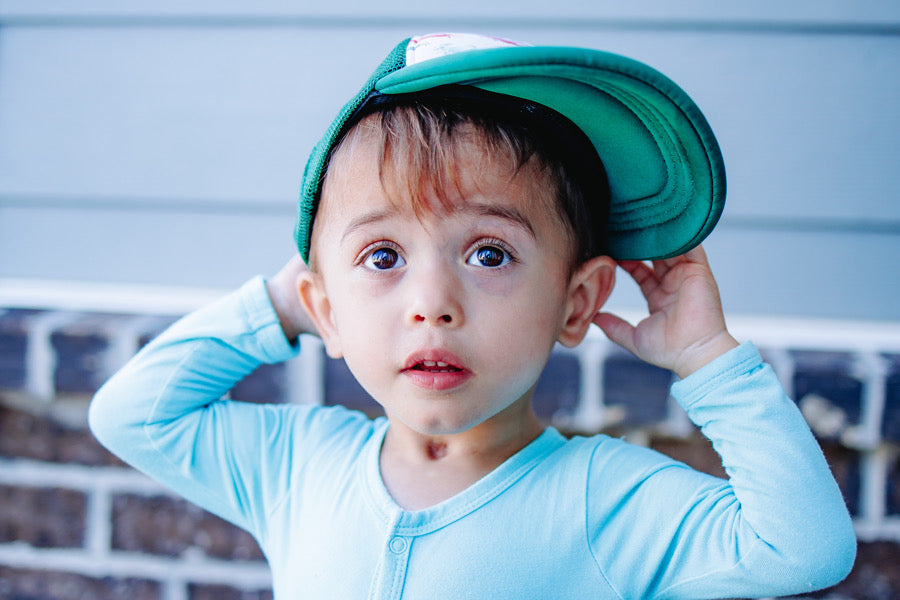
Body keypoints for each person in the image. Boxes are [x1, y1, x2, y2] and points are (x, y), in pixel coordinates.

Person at [90, 32, 856, 598]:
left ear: (577, 302)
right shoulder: (298, 467)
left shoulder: (603, 500)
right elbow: (131, 416)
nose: (431, 305)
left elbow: (803, 549)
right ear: (324, 304)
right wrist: (281, 305)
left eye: (489, 254)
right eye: (383, 258)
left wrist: (707, 357)